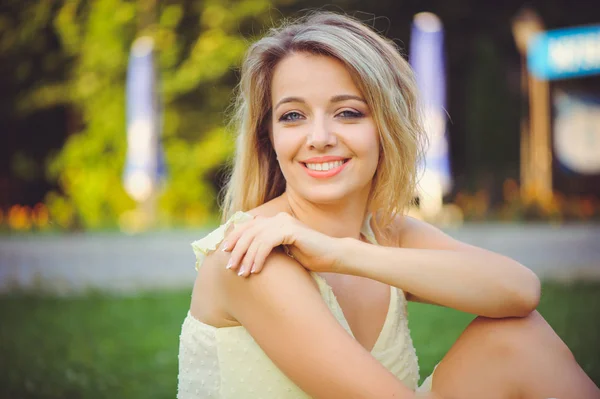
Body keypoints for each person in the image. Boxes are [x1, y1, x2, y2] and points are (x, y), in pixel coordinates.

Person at [177, 11, 599, 399]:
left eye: (347, 113)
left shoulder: (385, 233)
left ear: (386, 127)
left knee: (518, 339)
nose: (320, 136)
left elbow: (519, 291)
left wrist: (341, 252)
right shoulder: (252, 255)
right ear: (268, 136)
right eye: (292, 116)